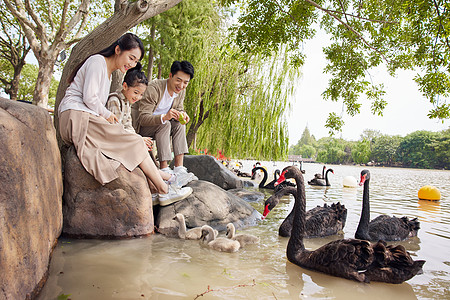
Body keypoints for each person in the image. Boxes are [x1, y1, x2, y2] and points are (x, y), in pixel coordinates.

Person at [58, 33, 191, 206]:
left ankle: (160, 184)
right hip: (75, 117)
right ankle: (164, 186)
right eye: (131, 57)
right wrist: (106, 115)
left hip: (85, 118)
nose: (132, 64)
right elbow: (89, 98)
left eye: (136, 61)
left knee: (133, 141)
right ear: (118, 50)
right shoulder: (97, 62)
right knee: (133, 141)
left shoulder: (109, 73)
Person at [106, 65, 179, 205]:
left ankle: (161, 183)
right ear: (125, 86)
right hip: (112, 141)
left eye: (141, 94)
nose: (138, 97)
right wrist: (138, 139)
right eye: (136, 92)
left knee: (142, 145)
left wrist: (138, 139)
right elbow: (115, 130)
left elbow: (128, 127)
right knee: (139, 146)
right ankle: (165, 183)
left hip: (122, 140)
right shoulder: (115, 99)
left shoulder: (127, 102)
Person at [131, 60, 197, 185]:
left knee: (179, 124)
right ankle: (164, 168)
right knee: (165, 123)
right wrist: (164, 117)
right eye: (178, 80)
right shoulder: (154, 88)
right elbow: (143, 118)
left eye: (185, 82)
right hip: (143, 127)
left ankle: (179, 169)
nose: (181, 85)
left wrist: (183, 114)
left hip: (162, 128)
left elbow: (179, 108)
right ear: (170, 75)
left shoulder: (180, 91)